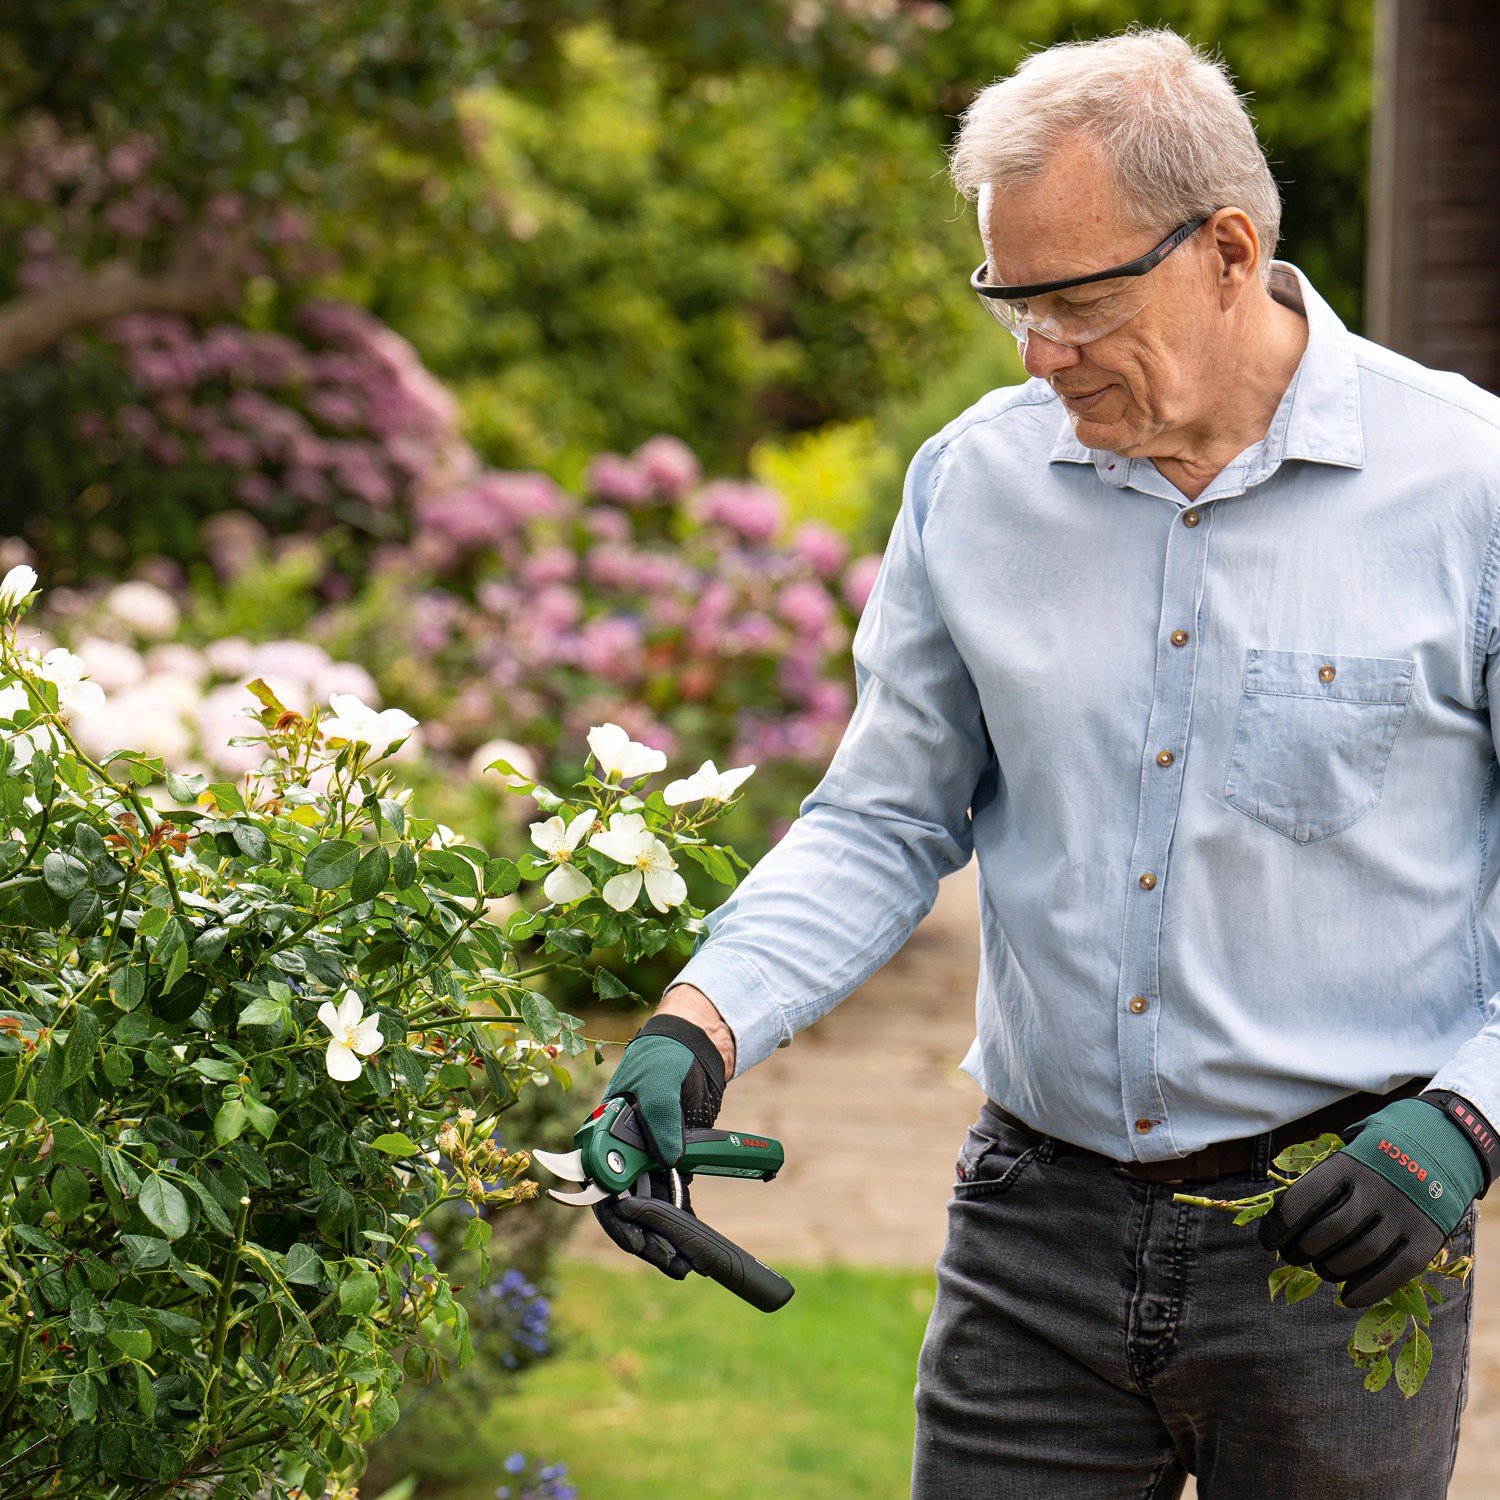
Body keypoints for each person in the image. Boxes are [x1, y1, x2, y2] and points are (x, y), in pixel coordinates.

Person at [582, 27, 1500, 1498]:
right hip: (1035, 1230)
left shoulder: (1469, 487)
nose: (1038, 350)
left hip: (1344, 1236)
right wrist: (700, 1025)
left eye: (1076, 300)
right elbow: (884, 819)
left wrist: (1466, 1119)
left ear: (1227, 251)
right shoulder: (977, 484)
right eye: (1010, 301)